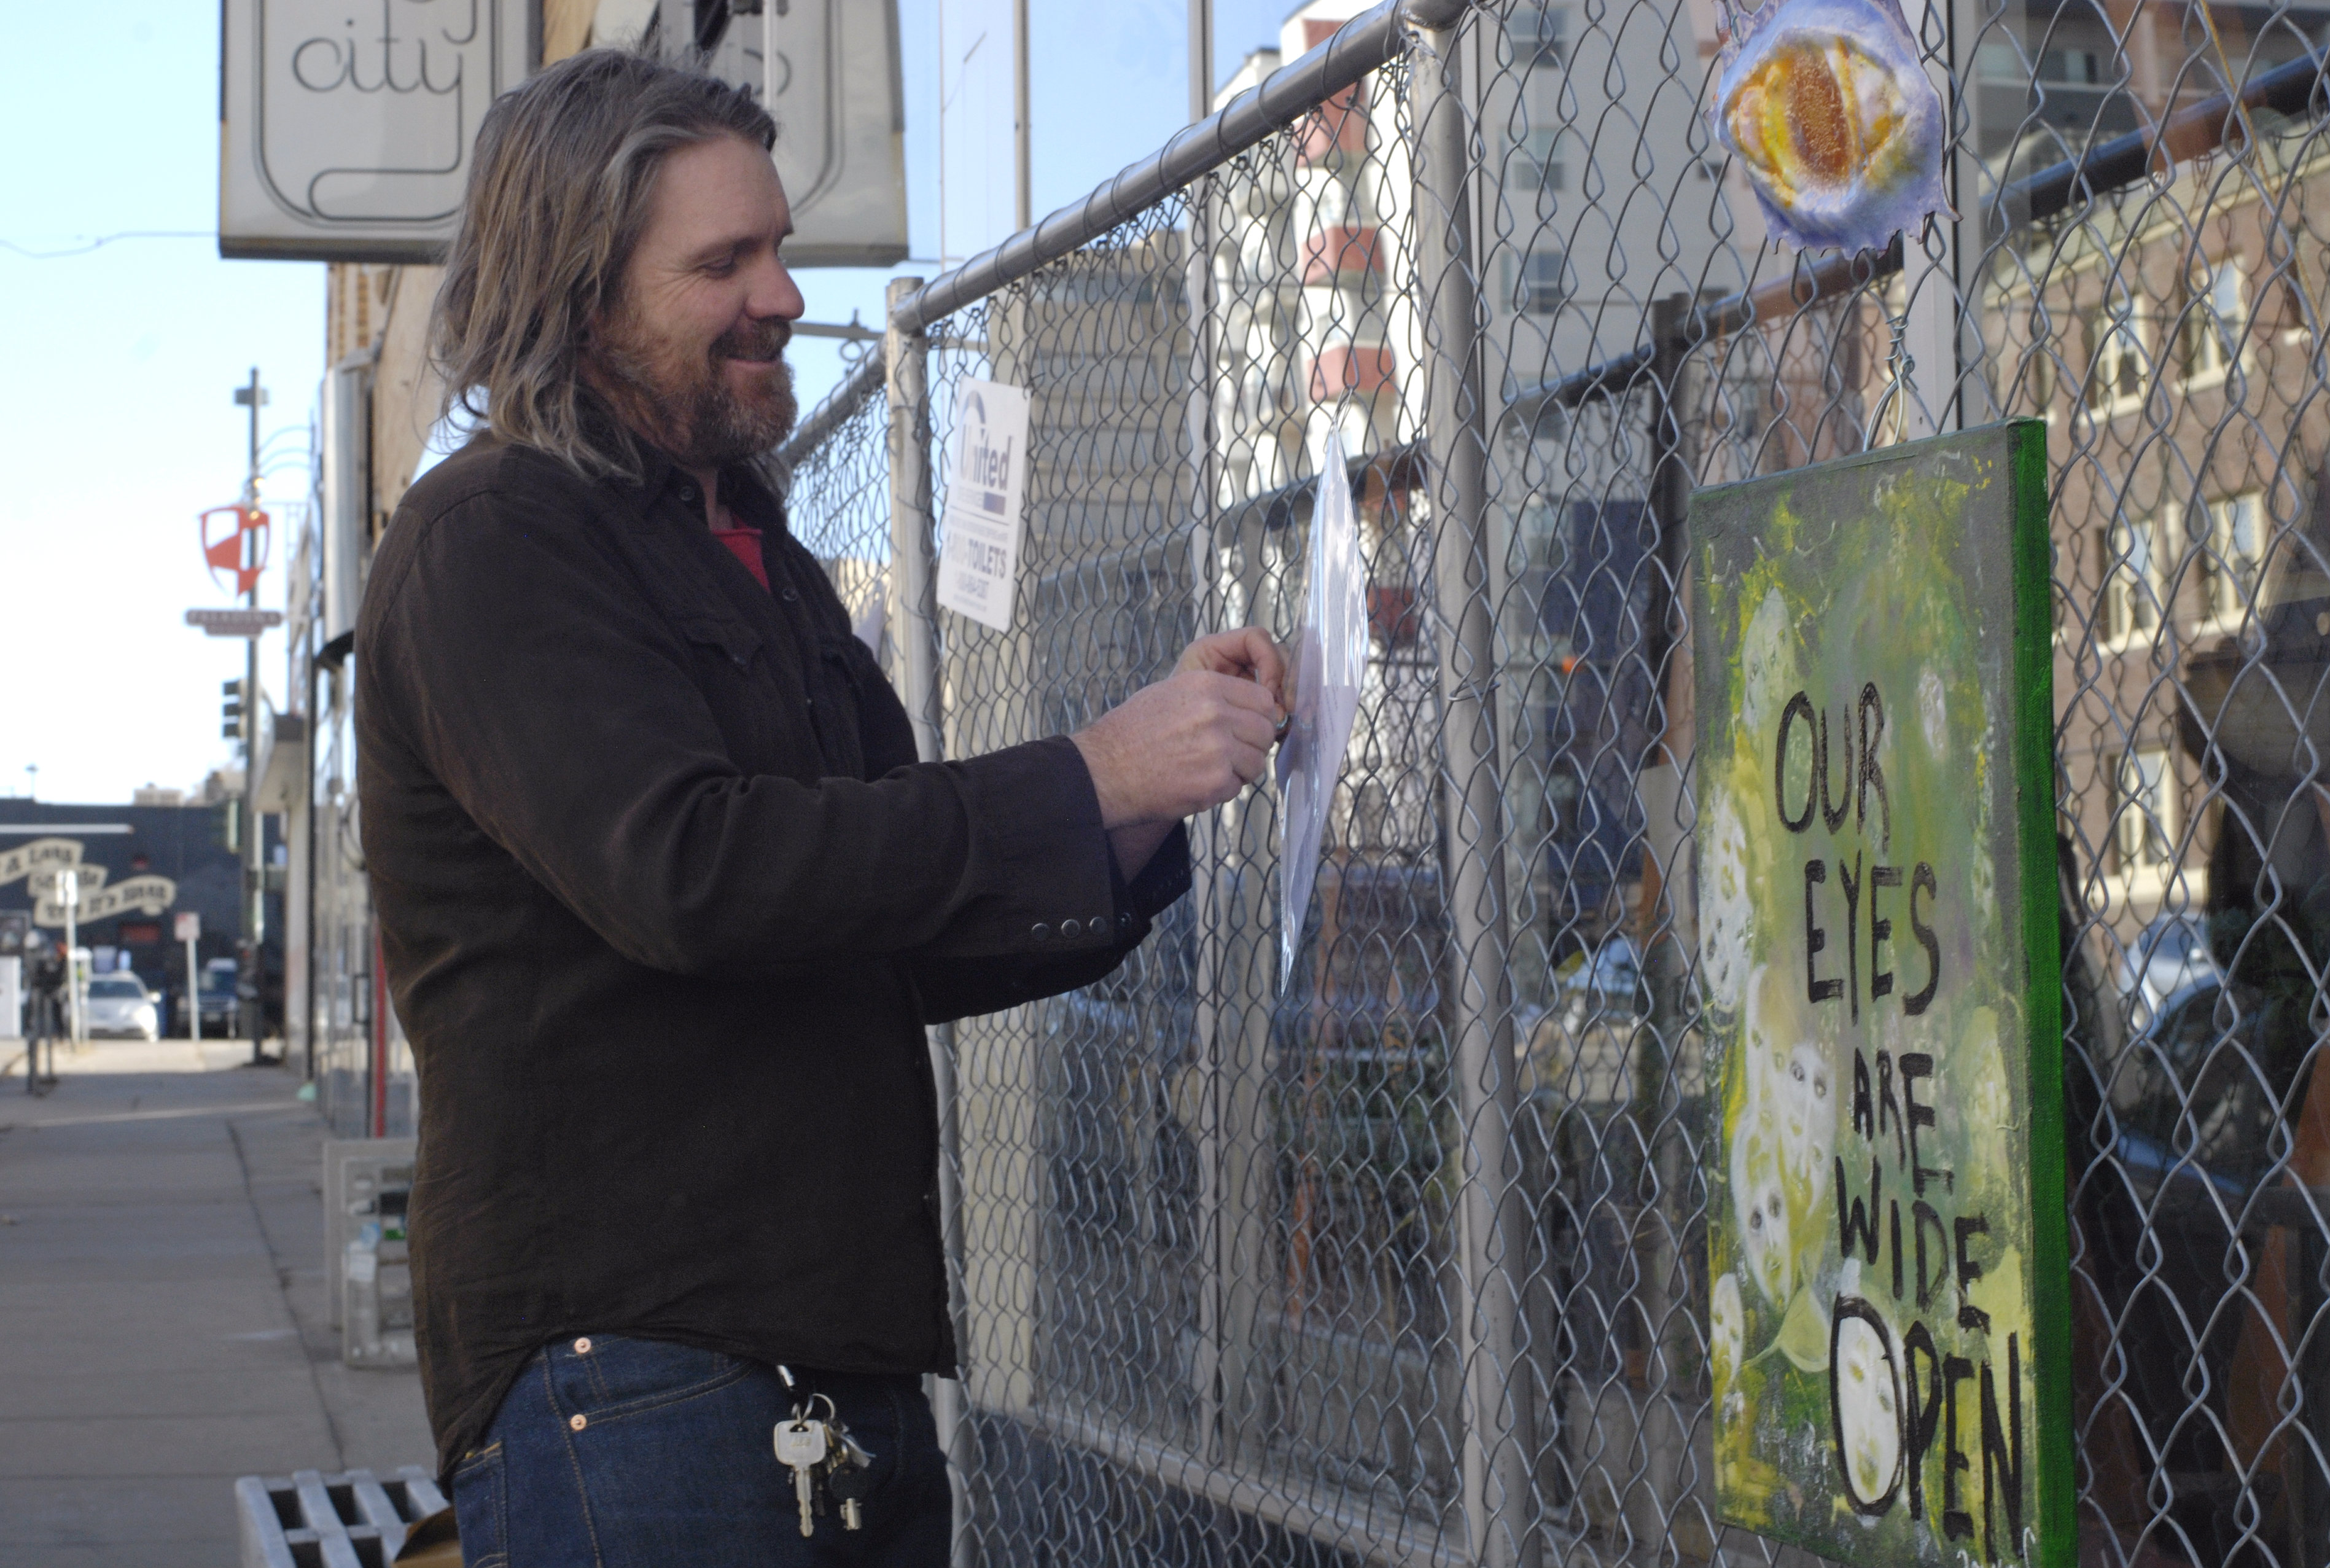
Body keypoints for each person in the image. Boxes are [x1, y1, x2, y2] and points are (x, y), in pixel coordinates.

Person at [356, 47, 1287, 1567]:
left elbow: (895, 915)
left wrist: (1143, 790)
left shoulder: (758, 552)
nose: (782, 294)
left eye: (779, 247)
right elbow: (690, 870)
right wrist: (1089, 770)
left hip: (825, 1353)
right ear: (579, 296)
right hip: (635, 1362)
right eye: (724, 261)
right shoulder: (494, 538)